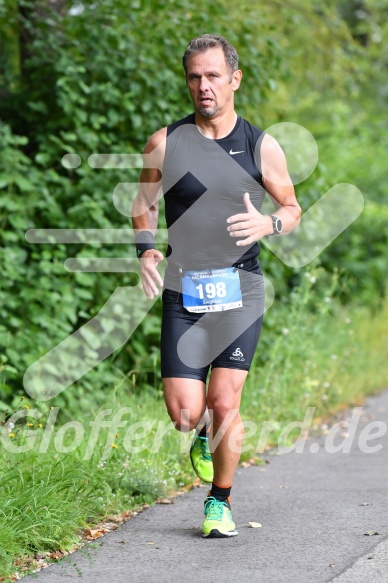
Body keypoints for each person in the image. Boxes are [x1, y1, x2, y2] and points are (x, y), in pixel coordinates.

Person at [132, 34, 301, 538]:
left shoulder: (260, 145)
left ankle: (219, 503)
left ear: (234, 79)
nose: (203, 86)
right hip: (184, 289)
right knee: (186, 414)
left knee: (226, 401)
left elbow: (291, 209)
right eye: (194, 77)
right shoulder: (166, 142)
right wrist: (145, 249)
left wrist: (268, 225)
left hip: (240, 290)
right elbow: (144, 204)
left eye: (213, 75)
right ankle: (202, 433)